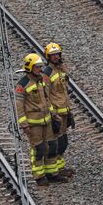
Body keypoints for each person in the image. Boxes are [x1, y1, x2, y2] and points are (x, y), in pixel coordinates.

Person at [15, 53, 63, 186]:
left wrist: (53, 114)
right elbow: (19, 107)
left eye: (40, 66)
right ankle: (39, 176)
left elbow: (47, 100)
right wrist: (24, 125)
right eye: (37, 67)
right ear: (30, 67)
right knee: (38, 149)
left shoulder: (42, 79)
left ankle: (52, 173)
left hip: (46, 121)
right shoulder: (22, 85)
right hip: (34, 124)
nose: (40, 69)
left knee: (51, 146)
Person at [43, 43, 75, 178]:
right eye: (53, 55)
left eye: (57, 54)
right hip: (56, 114)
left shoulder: (61, 70)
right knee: (55, 143)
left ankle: (60, 168)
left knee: (63, 142)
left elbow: (63, 93)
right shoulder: (47, 74)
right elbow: (45, 96)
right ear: (48, 57)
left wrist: (69, 111)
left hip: (64, 112)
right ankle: (52, 173)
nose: (56, 57)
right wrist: (52, 114)